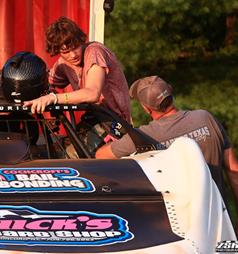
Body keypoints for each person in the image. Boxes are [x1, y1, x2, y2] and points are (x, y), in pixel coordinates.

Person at [95, 75, 238, 229]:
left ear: (146, 108)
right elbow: (234, 170)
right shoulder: (206, 118)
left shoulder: (142, 136)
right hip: (221, 226)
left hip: (178, 234)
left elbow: (100, 156)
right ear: (171, 92)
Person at [23, 16, 131, 123]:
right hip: (93, 119)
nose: (73, 55)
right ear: (57, 51)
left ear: (81, 41)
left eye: (75, 47)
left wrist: (53, 98)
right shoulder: (63, 64)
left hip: (116, 122)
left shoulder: (95, 52)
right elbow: (45, 84)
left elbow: (92, 93)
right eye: (65, 52)